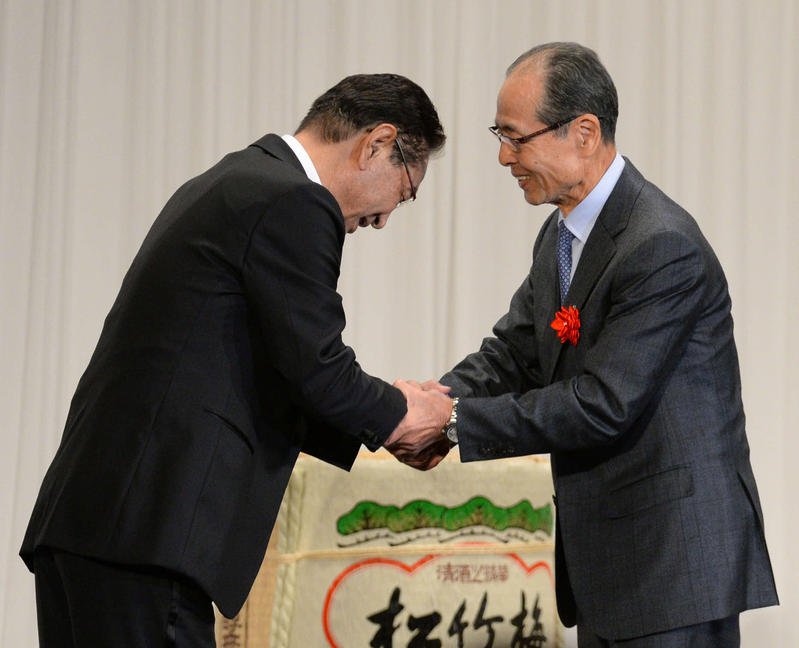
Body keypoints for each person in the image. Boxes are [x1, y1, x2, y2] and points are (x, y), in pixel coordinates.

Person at [20, 73, 453, 647]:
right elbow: (319, 368)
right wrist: (402, 411)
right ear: (376, 143)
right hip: (150, 534)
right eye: (404, 190)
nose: (383, 219)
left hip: (95, 525)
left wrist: (381, 425)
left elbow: (262, 371)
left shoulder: (233, 179)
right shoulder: (295, 200)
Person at [416, 43, 779, 646]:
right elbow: (515, 353)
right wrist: (428, 401)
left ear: (584, 133)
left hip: (674, 564)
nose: (504, 157)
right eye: (498, 136)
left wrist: (451, 422)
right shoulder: (561, 233)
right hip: (615, 564)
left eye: (516, 137)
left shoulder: (661, 244)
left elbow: (603, 402)